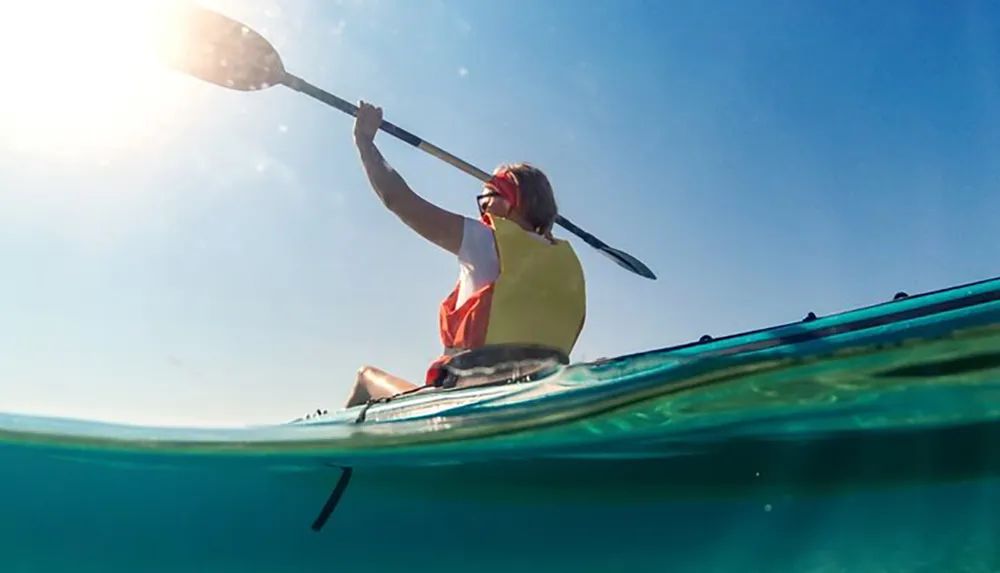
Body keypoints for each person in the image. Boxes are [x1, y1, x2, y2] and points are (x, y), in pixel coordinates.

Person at [344, 101, 587, 408]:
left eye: (487, 196)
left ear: (509, 201)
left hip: (469, 397)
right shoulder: (568, 265)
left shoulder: (484, 240)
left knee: (366, 377)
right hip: (540, 396)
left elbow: (398, 200)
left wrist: (365, 142)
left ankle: (335, 455)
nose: (482, 207)